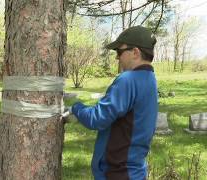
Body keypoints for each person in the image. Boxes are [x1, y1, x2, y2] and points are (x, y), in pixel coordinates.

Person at [63, 26, 158, 180]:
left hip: (118, 173)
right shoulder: (149, 79)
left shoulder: (128, 79)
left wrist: (76, 107)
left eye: (119, 52)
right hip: (135, 172)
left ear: (135, 52)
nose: (117, 58)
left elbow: (97, 119)